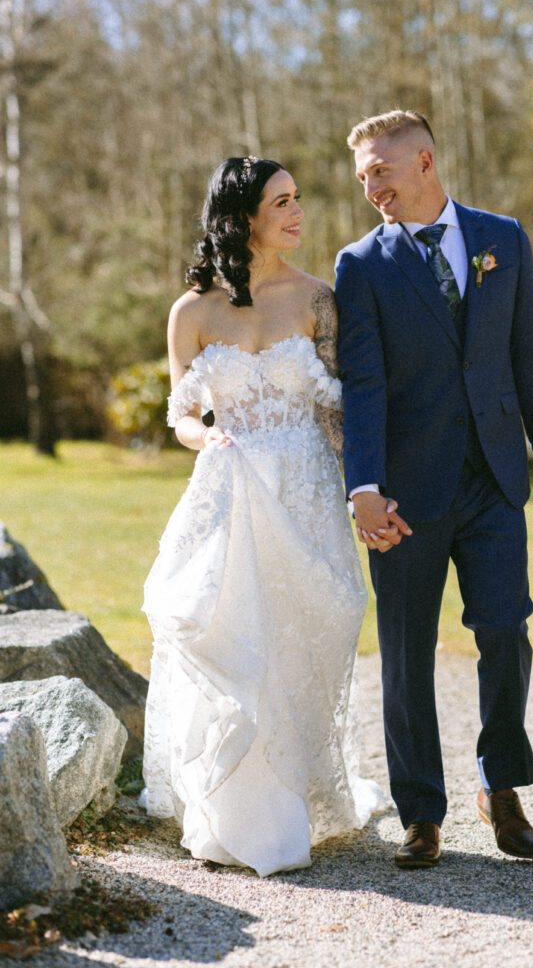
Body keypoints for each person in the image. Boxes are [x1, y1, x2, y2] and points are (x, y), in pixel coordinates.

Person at [335, 110, 533, 869]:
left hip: (494, 477)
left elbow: (529, 356)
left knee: (505, 629)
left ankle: (501, 784)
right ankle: (421, 813)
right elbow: (365, 384)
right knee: (405, 652)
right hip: (406, 494)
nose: (371, 186)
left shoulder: (501, 239)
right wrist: (365, 487)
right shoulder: (362, 264)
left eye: (381, 169)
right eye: (361, 177)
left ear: (424, 161)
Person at [141, 156, 383, 877]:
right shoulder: (192, 310)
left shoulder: (318, 299)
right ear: (244, 215)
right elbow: (180, 415)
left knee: (308, 632)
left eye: (297, 199)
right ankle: (231, 812)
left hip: (304, 492)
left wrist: (367, 488)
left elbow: (341, 410)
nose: (297, 212)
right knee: (224, 630)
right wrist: (203, 435)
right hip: (228, 487)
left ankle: (299, 796)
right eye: (282, 202)